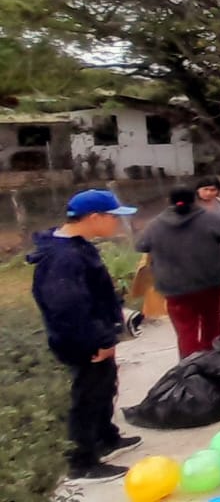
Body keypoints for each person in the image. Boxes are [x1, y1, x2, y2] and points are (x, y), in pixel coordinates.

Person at [30, 190, 142, 482]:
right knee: (88, 397)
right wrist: (99, 341)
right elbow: (68, 308)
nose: (117, 223)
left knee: (105, 386)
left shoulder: (78, 246)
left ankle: (105, 437)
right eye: (113, 217)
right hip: (83, 342)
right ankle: (82, 462)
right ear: (94, 217)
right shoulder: (63, 258)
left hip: (97, 335)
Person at [137, 187, 220, 360]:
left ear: (168, 201)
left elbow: (142, 246)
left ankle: (190, 366)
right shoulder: (208, 219)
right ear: (194, 199)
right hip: (208, 282)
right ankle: (214, 362)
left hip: (173, 287)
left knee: (186, 330)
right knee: (211, 324)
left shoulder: (155, 224)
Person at [194, 177, 220, 316]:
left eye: (213, 190)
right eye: (205, 189)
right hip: (203, 246)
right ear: (198, 190)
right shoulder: (193, 206)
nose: (209, 193)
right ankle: (218, 307)